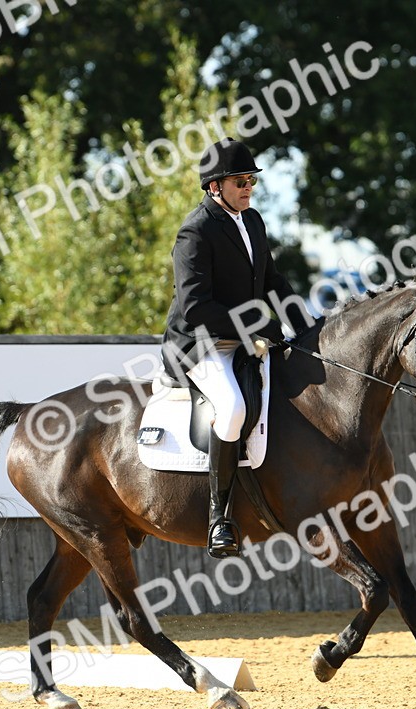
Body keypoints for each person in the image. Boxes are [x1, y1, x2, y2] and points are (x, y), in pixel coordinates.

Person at [160, 138, 310, 559]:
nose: (248, 188)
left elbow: (274, 282)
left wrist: (306, 329)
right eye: (240, 181)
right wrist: (258, 323)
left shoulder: (253, 221)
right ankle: (218, 517)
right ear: (215, 187)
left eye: (251, 181)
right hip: (200, 345)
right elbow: (196, 307)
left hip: (244, 340)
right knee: (231, 408)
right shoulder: (195, 231)